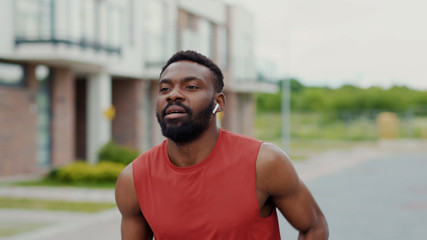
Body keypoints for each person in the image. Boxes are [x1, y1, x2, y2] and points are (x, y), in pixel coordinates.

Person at [115, 50, 328, 239]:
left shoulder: (264, 163)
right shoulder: (134, 179)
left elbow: (314, 227)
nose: (173, 95)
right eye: (164, 89)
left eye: (190, 86)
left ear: (218, 103)